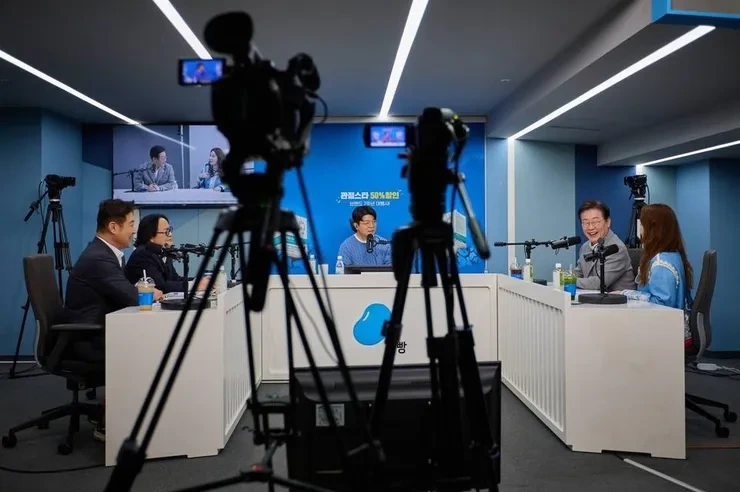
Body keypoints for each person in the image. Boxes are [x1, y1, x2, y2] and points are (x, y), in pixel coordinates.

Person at [64, 199, 163, 442]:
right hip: (88, 339)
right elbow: (131, 296)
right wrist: (150, 292)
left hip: (96, 330)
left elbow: (124, 292)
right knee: (147, 350)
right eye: (130, 224)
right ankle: (109, 423)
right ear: (113, 227)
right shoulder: (99, 258)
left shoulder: (106, 254)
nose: (134, 230)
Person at [615, 204, 693, 310]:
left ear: (653, 230)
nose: (640, 229)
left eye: (642, 224)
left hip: (662, 319)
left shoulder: (661, 264)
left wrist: (626, 294)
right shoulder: (674, 256)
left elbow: (661, 304)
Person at [124, 214, 207, 294]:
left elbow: (174, 279)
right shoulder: (143, 255)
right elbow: (159, 286)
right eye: (166, 231)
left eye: (170, 230)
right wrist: (193, 285)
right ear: (151, 236)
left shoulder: (164, 252)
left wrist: (198, 281)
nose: (170, 234)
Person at [574, 200, 635, 291]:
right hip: (593, 297)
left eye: (595, 222)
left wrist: (568, 281)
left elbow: (599, 282)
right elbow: (578, 273)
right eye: (586, 222)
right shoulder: (585, 247)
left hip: (618, 299)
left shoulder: (616, 248)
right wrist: (563, 277)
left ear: (608, 222)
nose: (590, 227)